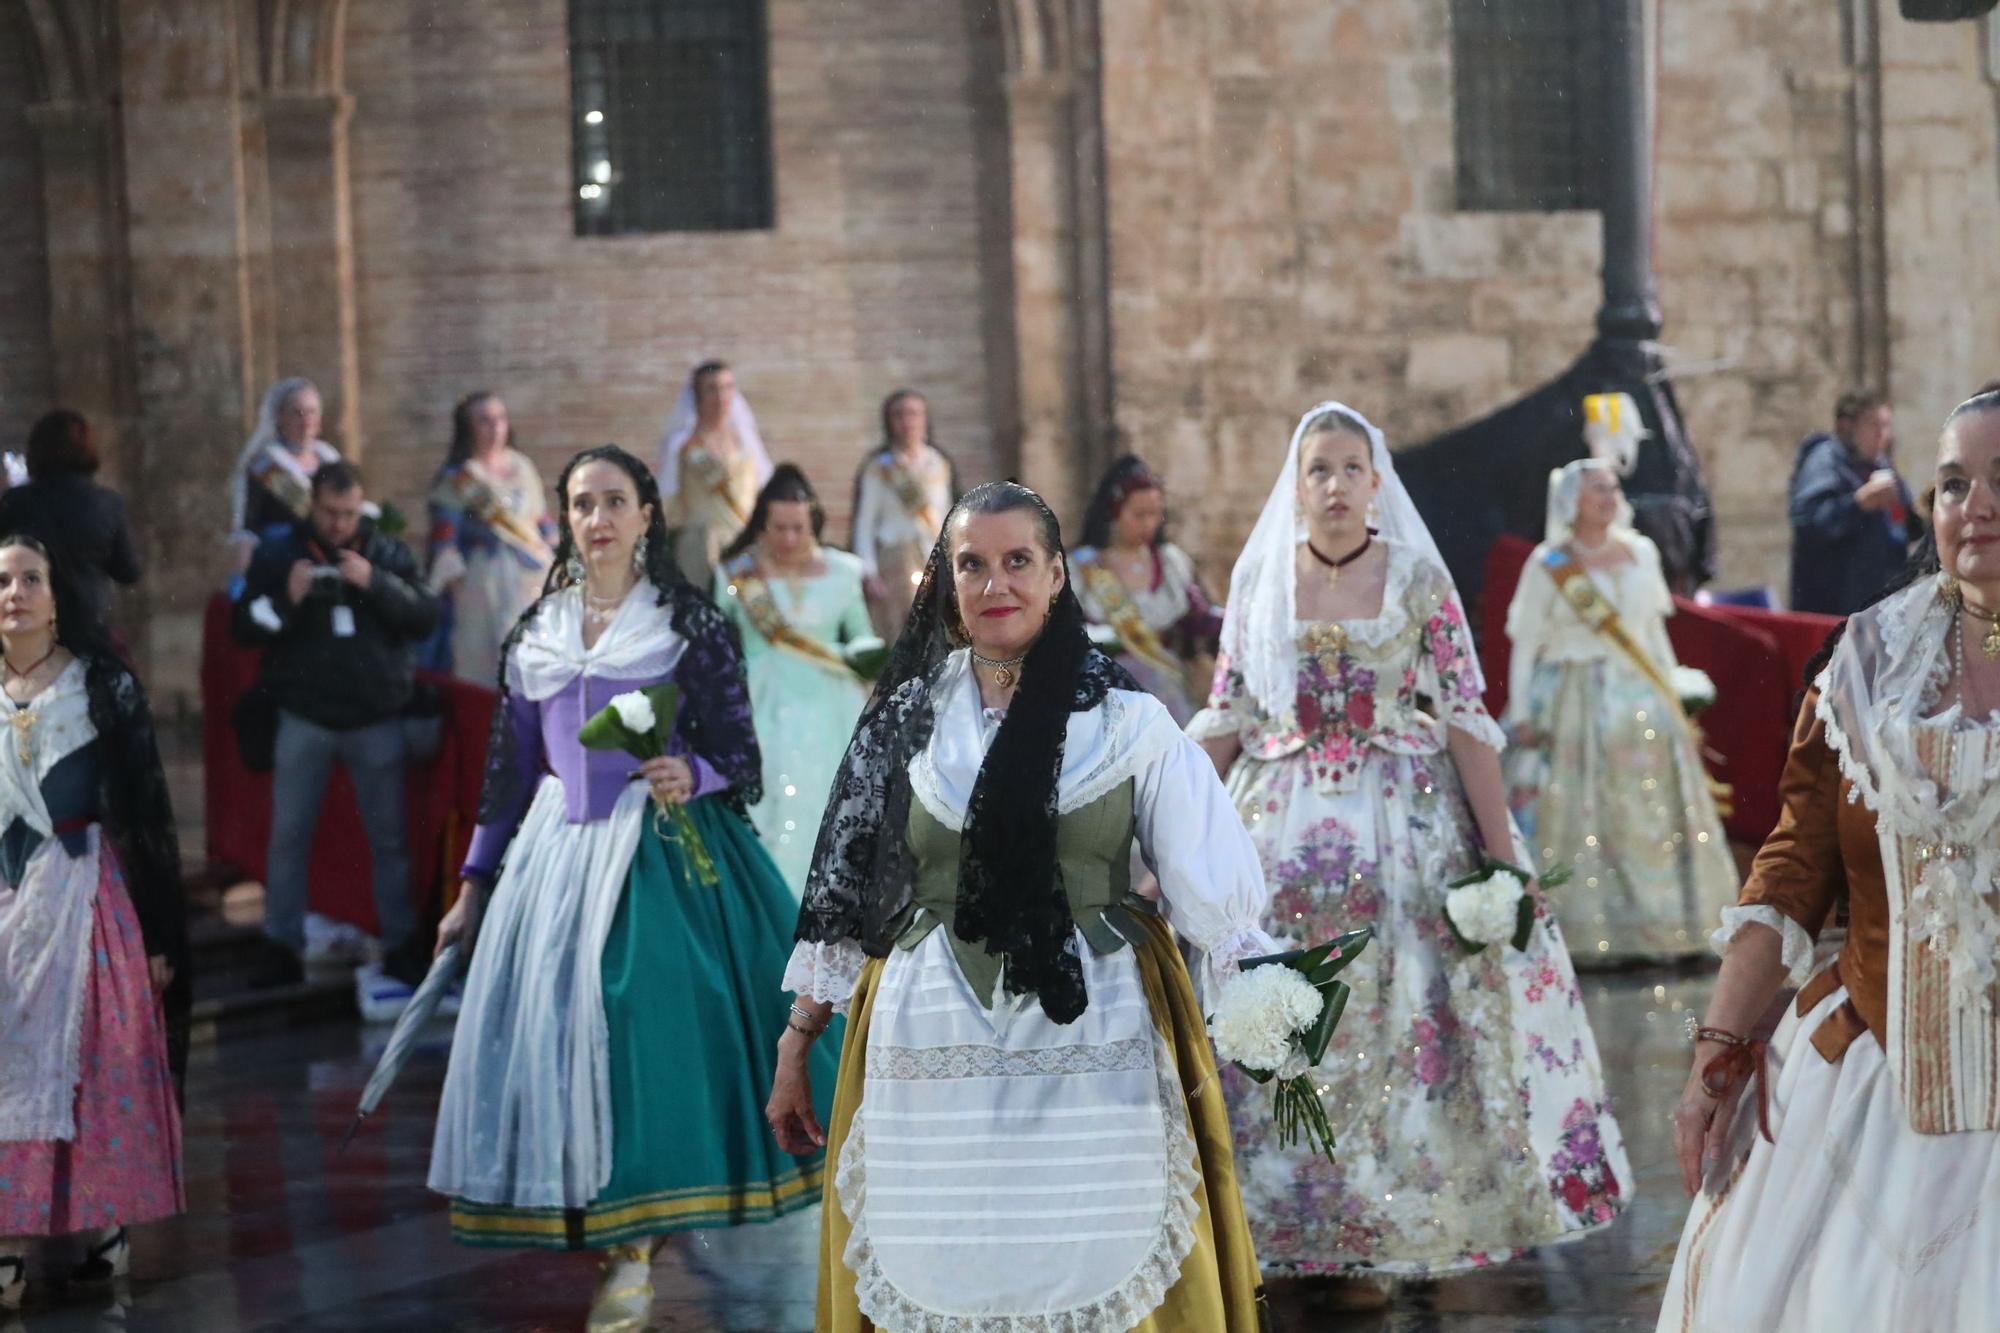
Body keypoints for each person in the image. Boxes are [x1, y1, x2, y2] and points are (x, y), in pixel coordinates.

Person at [769, 481, 1278, 1331]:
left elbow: (1214, 896)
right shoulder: (909, 719)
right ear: (947, 579)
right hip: (929, 1035)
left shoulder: (1129, 721)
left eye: (1016, 562)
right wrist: (798, 1043)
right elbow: (848, 894)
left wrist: (1270, 1003)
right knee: (945, 1256)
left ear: (1055, 575)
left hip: (1100, 1032)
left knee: (1097, 1246)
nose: (994, 584)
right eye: (972, 564)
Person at [1188, 403, 1632, 1298]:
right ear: (1297, 483)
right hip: (1279, 830)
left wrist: (1503, 865)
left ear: (1377, 482)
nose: (1336, 485)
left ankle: (1396, 1213)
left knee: (1409, 1022)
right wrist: (1169, 840)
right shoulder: (1260, 580)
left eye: (1353, 468)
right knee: (1283, 1021)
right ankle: (1292, 1217)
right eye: (1319, 469)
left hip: (1405, 830)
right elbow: (1229, 715)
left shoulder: (1420, 583)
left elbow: (1467, 720)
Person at [428, 445, 837, 1333]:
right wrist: (473, 883)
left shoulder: (684, 624)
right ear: (567, 518)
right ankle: (614, 1235)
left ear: (648, 514)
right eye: (583, 503)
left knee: (644, 1031)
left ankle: (637, 1250)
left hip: (660, 854)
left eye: (616, 501)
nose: (599, 518)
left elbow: (740, 756)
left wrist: (692, 770)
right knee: (571, 1042)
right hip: (555, 862)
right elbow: (509, 772)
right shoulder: (536, 631)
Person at [1659, 392, 2000, 1331]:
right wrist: (1717, 1056)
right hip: (1874, 1080)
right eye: (1955, 482)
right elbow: (1792, 872)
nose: (1978, 505)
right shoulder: (1866, 663)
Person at [0, 535, 186, 1311]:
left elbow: (145, 806)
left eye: (31, 579)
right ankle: (10, 1234)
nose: (14, 592)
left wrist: (161, 932)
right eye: (3, 580)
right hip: (5, 899)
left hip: (81, 891)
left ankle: (94, 1224)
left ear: (58, 593)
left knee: (88, 1062)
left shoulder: (98, 685)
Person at [1501, 459, 1738, 965]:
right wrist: (1521, 709)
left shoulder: (1641, 553)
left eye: (1612, 488)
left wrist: (1672, 692)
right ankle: (1584, 934)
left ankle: (1665, 929)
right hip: (1571, 698)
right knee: (1578, 815)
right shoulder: (1549, 563)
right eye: (1596, 491)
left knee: (1647, 815)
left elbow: (1652, 633)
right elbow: (1525, 642)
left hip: (1638, 703)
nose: (1608, 498)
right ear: (1572, 502)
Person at [231, 462, 440, 991]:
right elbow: (243, 628)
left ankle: (401, 946)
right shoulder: (281, 554)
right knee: (288, 837)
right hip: (305, 717)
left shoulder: (387, 552)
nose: (340, 524)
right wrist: (288, 598)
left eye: (349, 514)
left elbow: (424, 616)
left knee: (390, 840)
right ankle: (281, 947)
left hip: (376, 719)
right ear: (313, 506)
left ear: (362, 508)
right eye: (330, 513)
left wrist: (377, 584)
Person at [714, 464, 872, 899]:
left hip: (829, 705)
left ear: (813, 522)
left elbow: (860, 635)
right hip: (761, 705)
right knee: (768, 810)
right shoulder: (736, 574)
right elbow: (715, 646)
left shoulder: (844, 571)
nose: (788, 538)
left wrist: (868, 657)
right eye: (779, 528)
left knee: (829, 808)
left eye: (798, 528)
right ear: (762, 526)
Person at [1069, 454, 1222, 725]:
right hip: (1104, 692)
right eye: (1139, 515)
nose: (1149, 524)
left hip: (1167, 691)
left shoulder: (1170, 562)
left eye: (1155, 514)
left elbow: (1197, 619)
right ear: (1113, 512)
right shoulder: (1084, 567)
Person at [423, 391, 557, 682]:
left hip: (531, 575)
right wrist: (449, 567)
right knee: (488, 662)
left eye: (500, 419)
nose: (495, 427)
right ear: (468, 427)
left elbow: (540, 515)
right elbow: (445, 533)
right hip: (483, 581)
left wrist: (552, 539)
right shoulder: (460, 478)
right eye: (484, 421)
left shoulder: (522, 465)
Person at [0, 411, 142, 630]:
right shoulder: (106, 503)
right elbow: (128, 571)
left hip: (30, 627)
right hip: (88, 625)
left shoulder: (16, 503)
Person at [1788, 388, 1916, 614]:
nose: (1882, 435)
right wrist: (1858, 504)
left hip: (1879, 606)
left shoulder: (1881, 466)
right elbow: (1809, 523)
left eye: (1885, 426)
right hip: (1833, 609)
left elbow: (1910, 526)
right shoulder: (1825, 461)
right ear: (1846, 426)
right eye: (1873, 425)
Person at [849, 388, 956, 641]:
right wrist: (869, 572)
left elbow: (946, 515)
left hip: (933, 555)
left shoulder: (938, 463)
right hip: (894, 560)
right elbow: (864, 524)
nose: (907, 421)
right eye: (899, 415)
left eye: (914, 414)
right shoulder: (879, 467)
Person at [657, 361, 772, 588]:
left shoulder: (746, 442)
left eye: (728, 387)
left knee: (741, 610)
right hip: (697, 546)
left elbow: (764, 489)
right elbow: (666, 497)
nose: (721, 396)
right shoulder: (681, 446)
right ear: (697, 396)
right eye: (712, 389)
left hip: (744, 544)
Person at [228, 377, 340, 574]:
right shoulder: (267, 465)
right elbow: (248, 528)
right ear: (280, 417)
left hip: (326, 557)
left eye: (312, 412)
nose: (306, 421)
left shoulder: (329, 459)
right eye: (298, 413)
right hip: (281, 561)